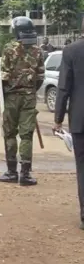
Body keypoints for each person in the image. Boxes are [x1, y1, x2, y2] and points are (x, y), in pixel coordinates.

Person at [0, 16, 44, 186]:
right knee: (26, 135)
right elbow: (40, 77)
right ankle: (25, 174)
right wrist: (30, 92)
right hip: (29, 97)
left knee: (10, 133)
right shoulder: (38, 51)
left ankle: (11, 172)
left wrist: (8, 93)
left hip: (11, 97)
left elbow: (3, 77)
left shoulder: (9, 49)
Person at [53, 36, 84, 229]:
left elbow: (63, 88)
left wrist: (58, 119)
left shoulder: (71, 51)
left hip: (81, 120)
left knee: (82, 167)